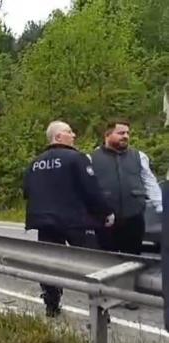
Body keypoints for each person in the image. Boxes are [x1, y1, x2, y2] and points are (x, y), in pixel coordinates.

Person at [23, 121, 114, 317]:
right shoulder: (76, 158)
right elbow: (92, 190)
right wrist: (106, 212)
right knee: (91, 265)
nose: (74, 135)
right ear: (58, 137)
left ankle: (51, 305)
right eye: (69, 132)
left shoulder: (34, 163)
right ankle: (100, 313)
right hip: (75, 221)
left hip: (45, 222)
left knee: (49, 265)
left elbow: (27, 191)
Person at [91, 120, 162, 255]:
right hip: (106, 219)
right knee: (105, 259)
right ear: (107, 135)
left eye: (128, 133)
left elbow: (150, 182)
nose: (126, 136)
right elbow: (89, 188)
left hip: (134, 216)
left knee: (133, 257)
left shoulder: (139, 156)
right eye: (121, 133)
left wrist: (160, 206)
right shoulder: (92, 158)